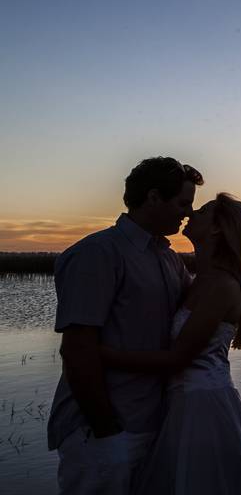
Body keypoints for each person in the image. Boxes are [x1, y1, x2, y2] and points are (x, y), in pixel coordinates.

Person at [100, 193, 241, 495]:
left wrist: (100, 355)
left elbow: (177, 358)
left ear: (216, 229)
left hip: (203, 406)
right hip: (183, 402)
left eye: (204, 210)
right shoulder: (198, 279)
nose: (192, 212)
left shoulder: (221, 285)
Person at [48, 156, 203, 494]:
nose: (188, 212)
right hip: (105, 431)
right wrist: (106, 428)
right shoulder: (97, 254)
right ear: (152, 197)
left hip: (155, 423)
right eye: (182, 203)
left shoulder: (168, 257)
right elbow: (77, 348)